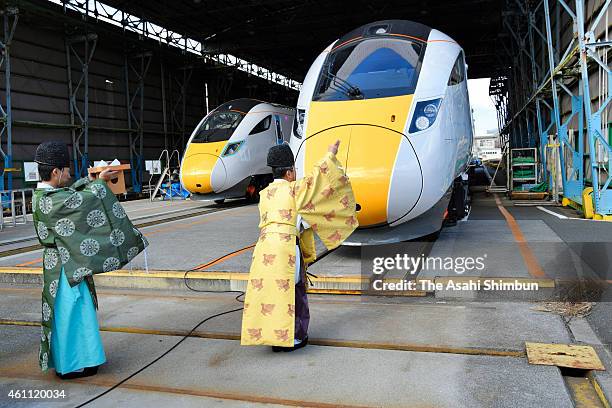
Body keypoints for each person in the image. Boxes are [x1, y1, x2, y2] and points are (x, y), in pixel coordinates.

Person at [33, 141, 148, 379]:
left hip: (68, 263)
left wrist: (93, 180)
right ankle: (69, 365)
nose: (69, 174)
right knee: (69, 315)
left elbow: (72, 193)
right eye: (66, 171)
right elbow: (83, 200)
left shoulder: (48, 195)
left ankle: (86, 359)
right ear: (55, 172)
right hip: (63, 267)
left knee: (79, 312)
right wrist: (99, 183)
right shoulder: (50, 200)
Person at [241, 140, 358, 351]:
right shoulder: (295, 189)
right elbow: (319, 177)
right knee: (294, 293)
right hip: (286, 248)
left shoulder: (264, 194)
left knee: (269, 295)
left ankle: (273, 338)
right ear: (288, 173)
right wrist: (330, 154)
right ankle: (294, 338)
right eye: (294, 170)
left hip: (264, 249)